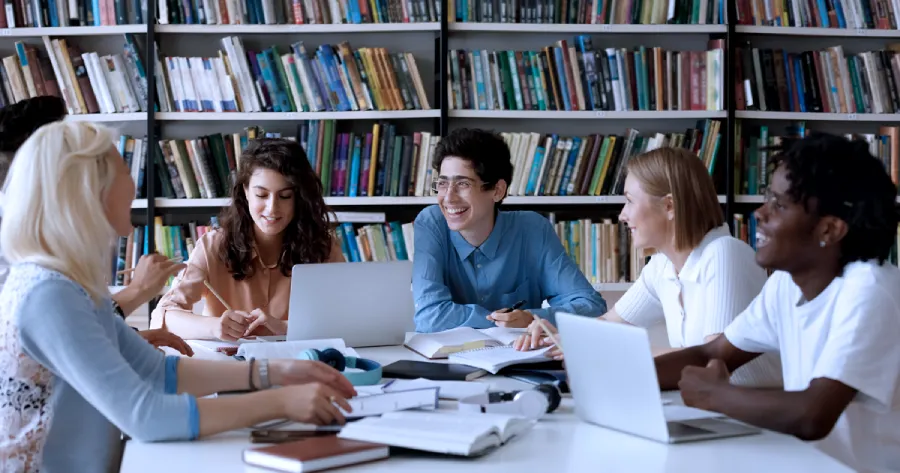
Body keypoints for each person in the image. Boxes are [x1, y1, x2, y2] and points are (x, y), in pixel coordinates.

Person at [0, 120, 357, 473]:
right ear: (87, 192)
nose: (132, 182)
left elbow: (157, 371)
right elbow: (147, 415)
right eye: (122, 170)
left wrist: (280, 370)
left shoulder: (67, 285)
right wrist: (282, 401)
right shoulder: (48, 294)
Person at [652, 133, 900, 472]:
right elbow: (713, 353)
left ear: (829, 229)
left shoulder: (871, 291)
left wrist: (714, 395)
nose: (761, 212)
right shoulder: (786, 282)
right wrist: (619, 374)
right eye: (768, 197)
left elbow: (813, 415)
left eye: (779, 205)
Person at [513, 147, 783, 387]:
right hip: (711, 412)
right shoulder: (662, 266)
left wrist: (612, 350)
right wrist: (555, 333)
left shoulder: (724, 253)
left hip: (757, 421)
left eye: (630, 200)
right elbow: (607, 325)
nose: (622, 214)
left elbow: (711, 361)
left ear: (669, 206)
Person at [0, 96, 190, 355]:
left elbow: (72, 332)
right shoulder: (29, 262)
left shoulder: (59, 245)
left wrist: (127, 341)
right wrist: (137, 291)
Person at [412, 128, 607, 333]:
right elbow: (429, 317)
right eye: (442, 184)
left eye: (462, 184)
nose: (448, 198)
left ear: (497, 190)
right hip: (448, 361)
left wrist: (531, 318)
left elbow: (591, 307)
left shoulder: (532, 229)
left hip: (519, 358)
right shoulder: (431, 222)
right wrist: (501, 322)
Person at [151, 137, 344, 341]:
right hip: (230, 368)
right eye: (261, 195)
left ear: (299, 197)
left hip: (299, 364)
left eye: (285, 196)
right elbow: (163, 317)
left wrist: (285, 327)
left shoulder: (323, 246)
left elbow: (345, 318)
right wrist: (214, 327)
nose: (272, 208)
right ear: (245, 192)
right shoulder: (213, 245)